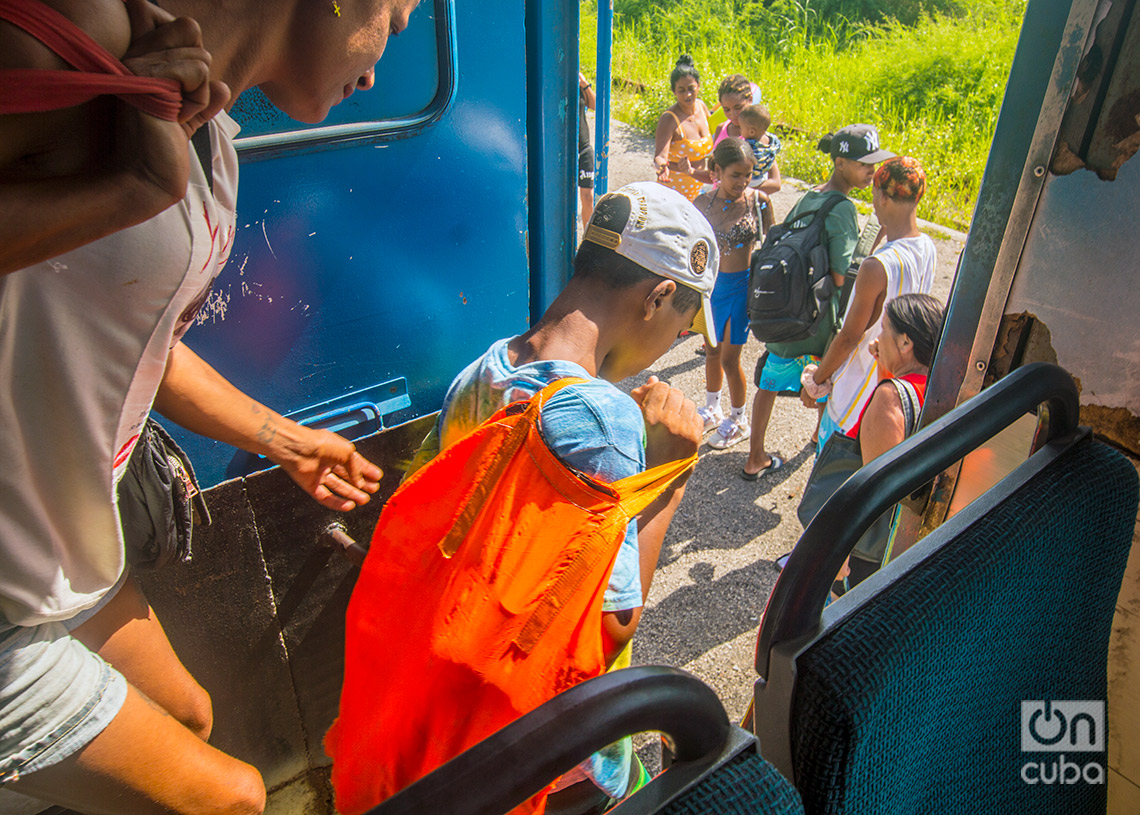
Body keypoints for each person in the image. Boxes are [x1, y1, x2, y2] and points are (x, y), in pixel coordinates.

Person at [0, 1, 417, 812]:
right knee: (232, 797)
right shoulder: (74, 38)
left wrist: (287, 439)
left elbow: (125, 334)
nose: (374, 71)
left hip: (58, 543)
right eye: (394, 24)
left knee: (189, 713)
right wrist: (131, 188)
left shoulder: (210, 137)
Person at [396, 182, 715, 814]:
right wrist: (669, 473)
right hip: (564, 760)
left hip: (473, 716)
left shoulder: (484, 369)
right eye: (682, 328)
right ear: (658, 297)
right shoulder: (603, 421)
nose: (676, 344)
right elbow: (608, 625)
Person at [741, 124, 895, 481]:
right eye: (862, 164)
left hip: (786, 310)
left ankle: (754, 456)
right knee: (828, 380)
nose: (870, 171)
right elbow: (842, 276)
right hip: (816, 322)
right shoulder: (841, 208)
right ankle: (818, 440)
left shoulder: (810, 195)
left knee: (769, 379)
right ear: (840, 162)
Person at [800, 156, 936, 451]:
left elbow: (850, 336)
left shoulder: (877, 266)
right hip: (893, 389)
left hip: (856, 396)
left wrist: (817, 381)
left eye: (875, 195)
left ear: (883, 196)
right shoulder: (927, 247)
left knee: (830, 480)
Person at [840, 293, 945, 587]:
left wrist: (838, 554)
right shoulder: (940, 388)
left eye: (884, 329)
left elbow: (875, 494)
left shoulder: (890, 397)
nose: (878, 338)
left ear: (905, 342)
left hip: (870, 554)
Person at [694, 138, 773, 450]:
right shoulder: (702, 204)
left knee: (730, 358)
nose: (742, 182)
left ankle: (738, 419)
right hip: (711, 290)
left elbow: (771, 245)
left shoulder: (760, 201)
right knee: (711, 352)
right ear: (717, 171)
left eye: (747, 175)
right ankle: (712, 408)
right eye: (735, 175)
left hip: (741, 290)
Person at [652, 55, 713, 202]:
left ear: (698, 85)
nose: (688, 94)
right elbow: (660, 156)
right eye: (681, 90)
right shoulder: (669, 119)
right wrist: (662, 167)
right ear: (674, 91)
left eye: (691, 88)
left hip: (700, 187)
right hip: (674, 191)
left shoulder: (701, 107)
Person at [737, 103, 782, 195]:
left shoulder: (750, 147)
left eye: (741, 128)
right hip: (763, 178)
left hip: (752, 181)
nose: (740, 131)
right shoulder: (771, 140)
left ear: (752, 131)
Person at [711, 73, 753, 146]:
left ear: (750, 100)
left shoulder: (756, 133)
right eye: (727, 109)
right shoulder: (721, 129)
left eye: (738, 108)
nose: (733, 114)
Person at [578, 71, 597, 225]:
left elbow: (595, 105)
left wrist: (585, 85)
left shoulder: (577, 82)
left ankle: (587, 240)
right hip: (563, 151)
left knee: (588, 196)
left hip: (583, 149)